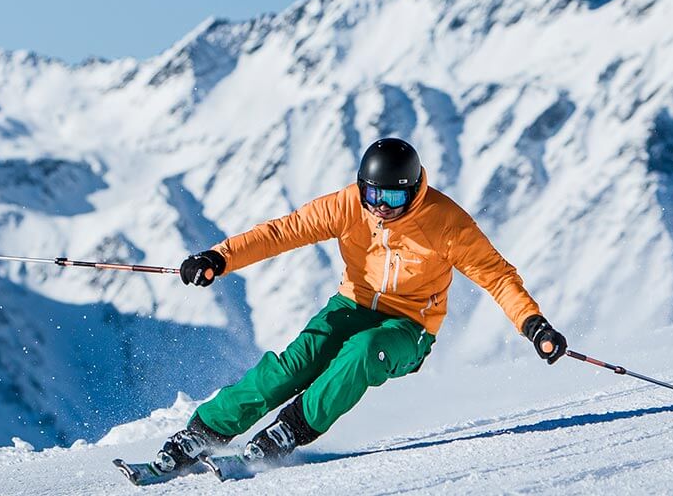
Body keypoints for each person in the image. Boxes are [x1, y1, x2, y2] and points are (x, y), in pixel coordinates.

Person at [154, 137, 568, 470]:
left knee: (361, 352)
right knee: (294, 365)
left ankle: (291, 429)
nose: (380, 207)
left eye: (391, 198)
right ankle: (205, 430)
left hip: (410, 326)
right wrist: (219, 258)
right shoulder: (351, 205)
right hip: (350, 305)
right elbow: (285, 231)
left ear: (414, 192)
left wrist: (533, 324)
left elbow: (496, 276)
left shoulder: (446, 223)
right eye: (372, 194)